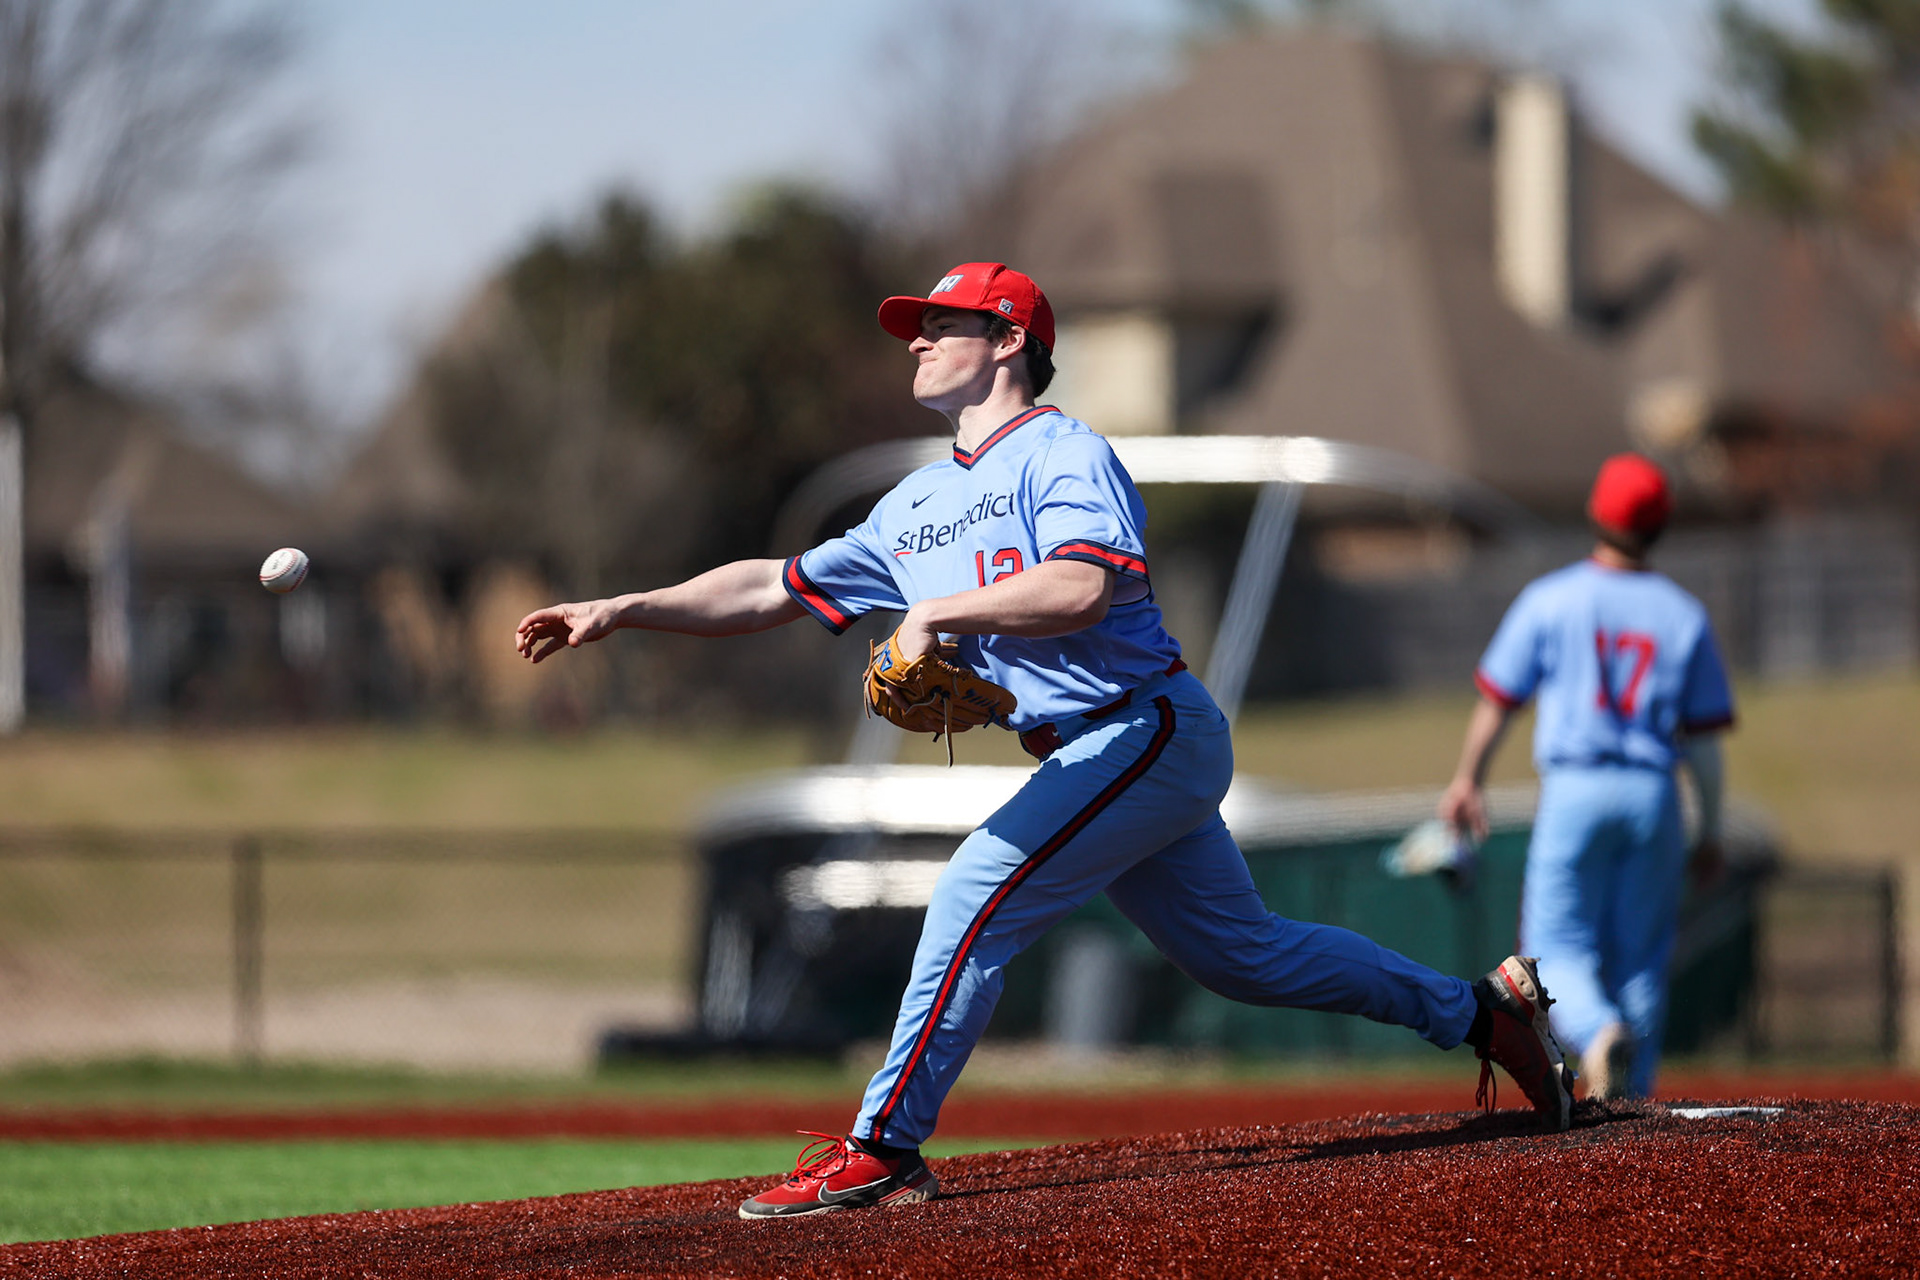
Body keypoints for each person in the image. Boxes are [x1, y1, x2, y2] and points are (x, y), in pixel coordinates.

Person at [517, 262, 1576, 1221]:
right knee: (1246, 957)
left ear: (1011, 338)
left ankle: (884, 1146)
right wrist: (625, 604)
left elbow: (1084, 582)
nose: (919, 341)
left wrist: (935, 615)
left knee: (974, 888)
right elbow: (772, 584)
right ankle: (1484, 1013)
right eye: (916, 327)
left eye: (943, 324)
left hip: (1144, 724)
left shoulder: (1063, 451)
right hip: (1092, 751)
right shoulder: (917, 504)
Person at [1438, 453, 1735, 1101]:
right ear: (1661, 526)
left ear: (1597, 513)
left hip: (1576, 789)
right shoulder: (1683, 615)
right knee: (1640, 959)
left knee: (1551, 947)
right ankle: (1634, 1096)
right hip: (1654, 795)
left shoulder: (1552, 599)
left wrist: (1468, 780)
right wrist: (1710, 829)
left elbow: (1498, 702)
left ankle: (1598, 1035)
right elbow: (1704, 745)